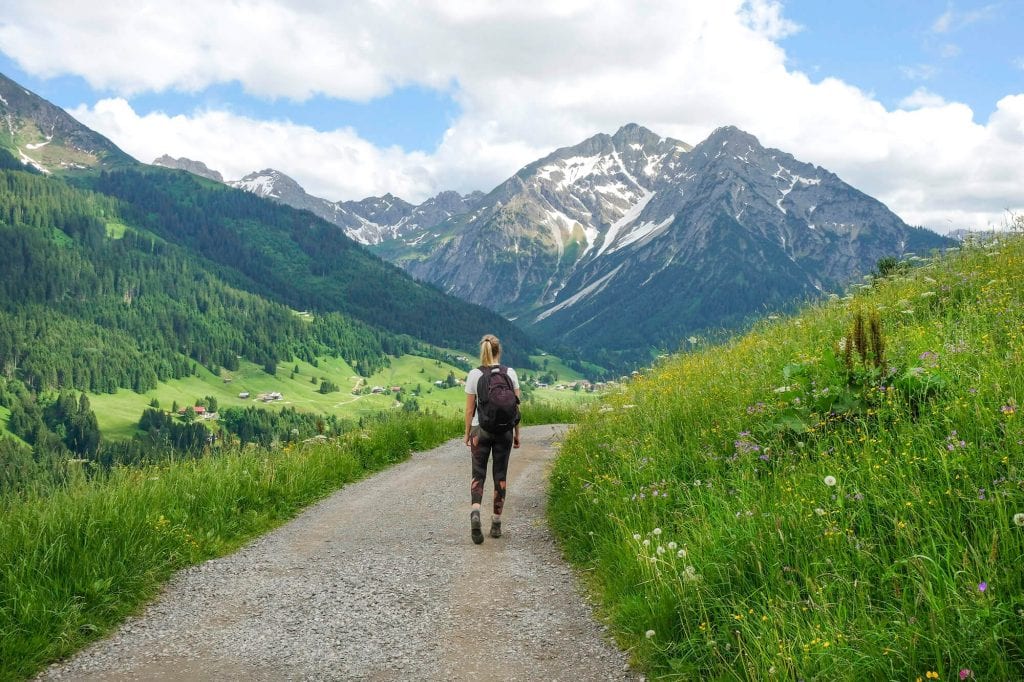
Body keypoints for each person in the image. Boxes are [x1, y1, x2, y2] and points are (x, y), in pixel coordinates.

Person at [464, 334, 521, 544]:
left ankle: (475, 511)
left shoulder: (474, 374)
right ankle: (496, 523)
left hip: (481, 430)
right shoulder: (510, 373)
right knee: (500, 475)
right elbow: (515, 407)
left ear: (483, 351)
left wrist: (467, 433)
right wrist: (517, 434)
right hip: (504, 431)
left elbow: (470, 409)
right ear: (499, 351)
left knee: (478, 474)